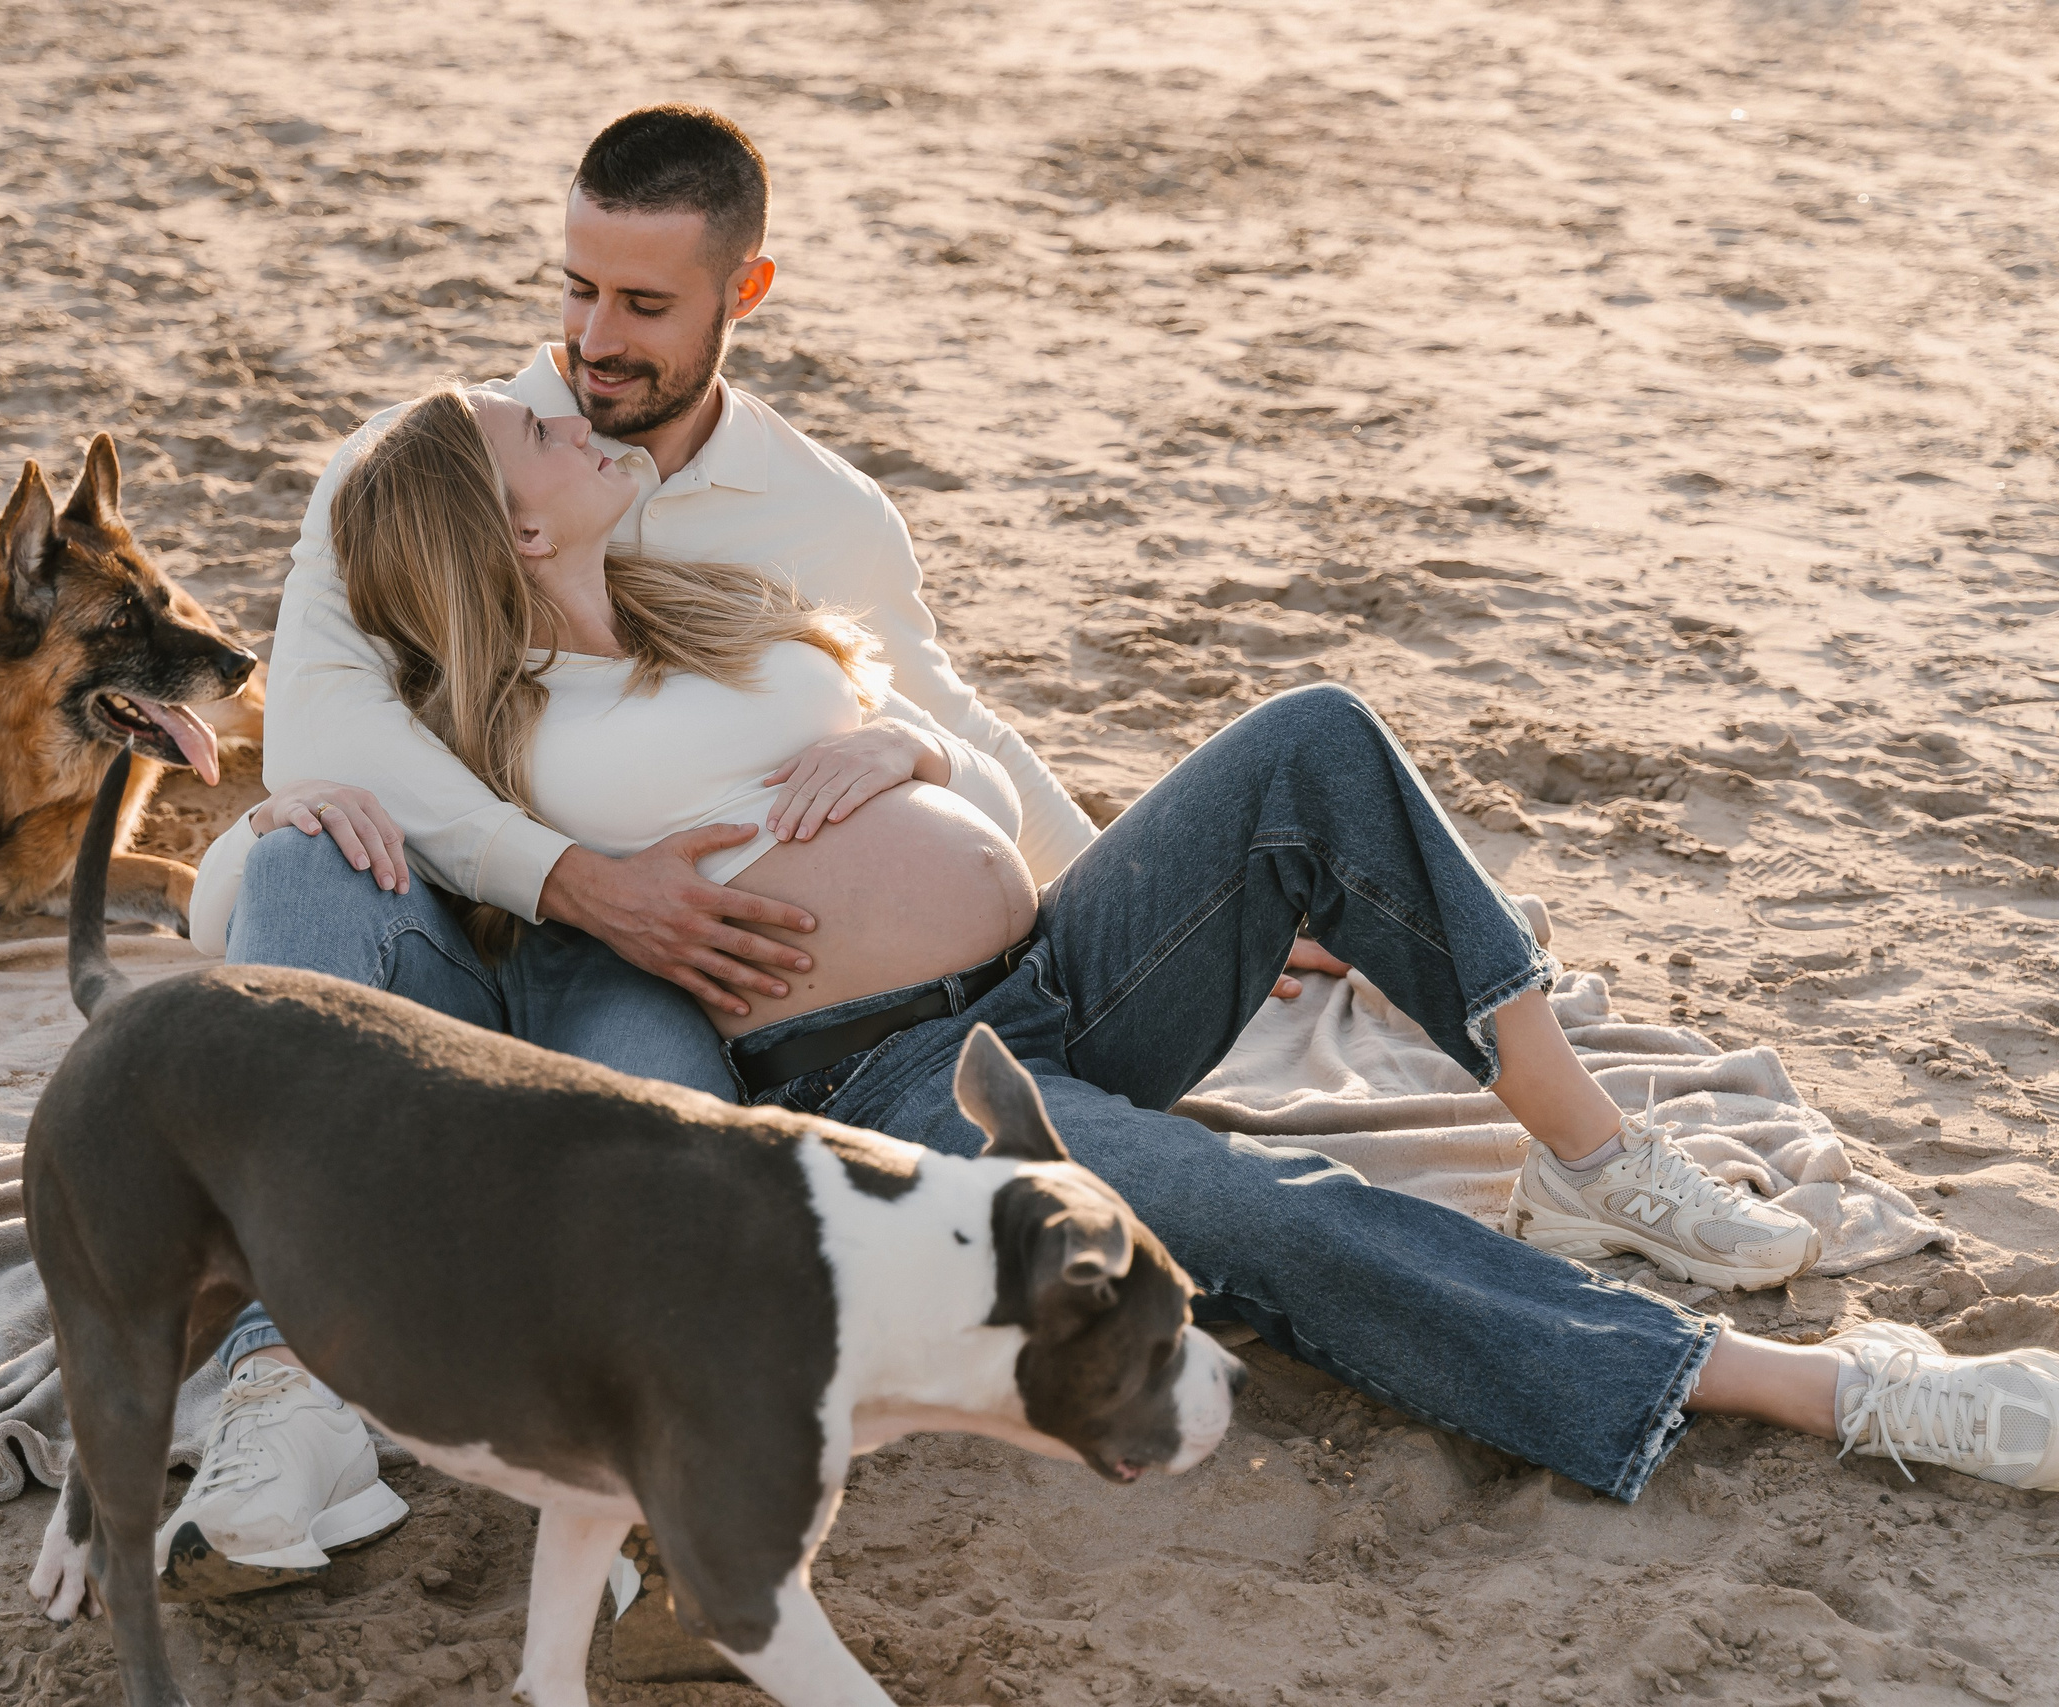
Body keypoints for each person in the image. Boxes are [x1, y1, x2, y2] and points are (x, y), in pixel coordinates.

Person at [146, 110, 2059, 1593]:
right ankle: (1838, 1390)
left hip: (1042, 973)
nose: (581, 354)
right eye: (572, 298)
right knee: (1254, 1216)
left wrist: (939, 768)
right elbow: (337, 751)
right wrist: (576, 886)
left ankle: (1593, 1157)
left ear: (744, 291)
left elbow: (930, 704)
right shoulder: (460, 578)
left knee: (1311, 735)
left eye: (639, 307)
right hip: (883, 1071)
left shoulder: (762, 535)